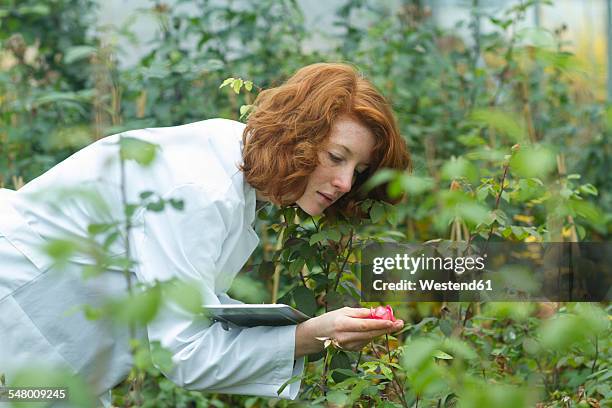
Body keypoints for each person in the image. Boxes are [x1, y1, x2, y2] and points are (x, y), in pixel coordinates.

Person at [0, 62, 410, 404]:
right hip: (19, 322)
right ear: (296, 135)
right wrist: (311, 337)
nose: (343, 183)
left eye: (357, 172)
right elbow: (185, 353)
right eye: (336, 157)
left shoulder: (226, 154)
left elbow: (189, 306)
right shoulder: (201, 191)